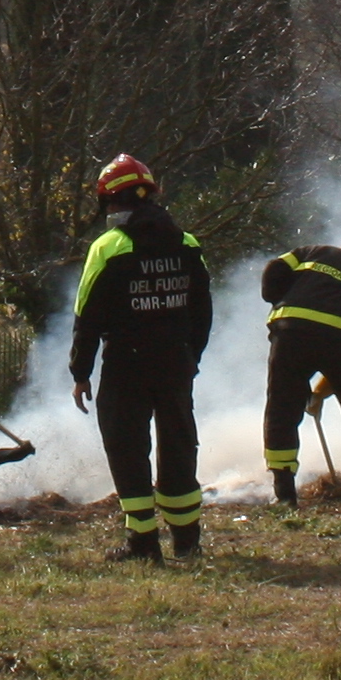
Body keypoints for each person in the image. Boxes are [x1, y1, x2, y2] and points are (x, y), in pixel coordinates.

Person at [68, 154, 213, 563]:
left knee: (127, 447)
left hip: (125, 365)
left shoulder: (108, 248)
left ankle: (143, 544)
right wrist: (192, 357)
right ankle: (187, 541)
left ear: (113, 202)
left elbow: (87, 315)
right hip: (175, 363)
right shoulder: (187, 244)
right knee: (179, 446)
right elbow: (203, 311)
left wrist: (81, 372)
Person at [261, 232, 341, 509]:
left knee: (282, 407)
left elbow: (274, 269)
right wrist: (321, 392)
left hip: (291, 332)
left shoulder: (314, 250)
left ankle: (284, 493)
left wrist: (278, 299)